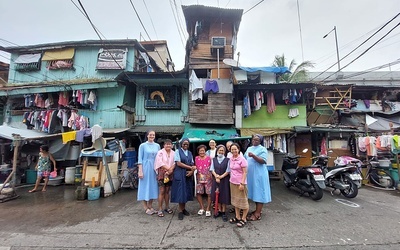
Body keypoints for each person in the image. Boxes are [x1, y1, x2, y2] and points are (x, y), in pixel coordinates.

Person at [244, 134, 271, 221]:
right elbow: (244, 158)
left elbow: (263, 161)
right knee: (254, 192)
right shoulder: (249, 148)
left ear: (260, 141)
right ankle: (257, 210)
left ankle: (258, 213)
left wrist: (254, 156)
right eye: (253, 140)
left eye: (257, 140)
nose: (255, 141)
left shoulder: (262, 149)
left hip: (259, 174)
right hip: (250, 174)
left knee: (259, 191)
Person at [171, 138, 195, 220]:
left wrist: (191, 171)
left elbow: (192, 163)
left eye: (187, 144)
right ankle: (180, 211)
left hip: (187, 174)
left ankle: (184, 209)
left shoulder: (190, 153)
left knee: (186, 192)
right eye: (184, 144)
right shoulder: (178, 151)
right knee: (180, 192)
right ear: (181, 144)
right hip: (180, 173)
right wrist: (190, 167)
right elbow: (178, 163)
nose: (185, 145)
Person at [137, 130, 160, 215]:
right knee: (144, 186)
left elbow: (159, 158)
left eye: (153, 135)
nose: (152, 136)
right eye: (150, 135)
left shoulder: (157, 146)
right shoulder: (142, 146)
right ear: (147, 135)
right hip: (145, 167)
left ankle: (150, 205)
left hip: (154, 168)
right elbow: (140, 158)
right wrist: (140, 170)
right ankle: (145, 207)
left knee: (153, 186)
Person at [228, 143, 249, 228]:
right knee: (235, 201)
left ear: (238, 149)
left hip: (240, 183)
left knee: (243, 201)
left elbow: (245, 172)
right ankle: (237, 216)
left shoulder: (242, 159)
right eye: (232, 149)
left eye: (235, 149)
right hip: (232, 182)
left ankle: (244, 218)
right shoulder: (231, 159)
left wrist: (242, 183)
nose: (234, 151)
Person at [154, 139, 175, 217]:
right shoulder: (160, 152)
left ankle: (167, 207)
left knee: (167, 191)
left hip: (170, 173)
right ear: (164, 145)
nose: (168, 145)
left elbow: (175, 162)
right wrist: (168, 169)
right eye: (166, 144)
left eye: (169, 144)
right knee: (162, 191)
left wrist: (171, 170)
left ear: (172, 145)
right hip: (162, 173)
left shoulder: (174, 153)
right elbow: (159, 162)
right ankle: (160, 208)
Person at [210, 144, 231, 222]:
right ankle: (218, 210)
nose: (221, 152)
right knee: (217, 196)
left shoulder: (227, 160)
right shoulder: (214, 159)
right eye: (219, 150)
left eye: (222, 150)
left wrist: (220, 177)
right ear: (217, 151)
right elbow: (212, 169)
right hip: (216, 180)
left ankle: (223, 212)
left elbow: (228, 171)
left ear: (224, 152)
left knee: (224, 195)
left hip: (224, 180)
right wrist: (216, 177)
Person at [195, 144, 212, 217]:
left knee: (209, 193)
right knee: (199, 193)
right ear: (198, 152)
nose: (202, 152)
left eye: (203, 150)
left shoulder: (209, 158)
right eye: (200, 151)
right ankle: (202, 207)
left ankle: (208, 208)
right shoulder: (196, 158)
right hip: (199, 178)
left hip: (208, 178)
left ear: (205, 151)